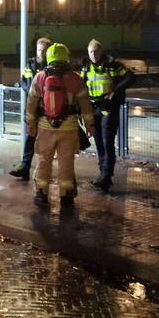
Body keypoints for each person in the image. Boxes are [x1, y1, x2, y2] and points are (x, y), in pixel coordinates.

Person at [26, 43, 94, 207]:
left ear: (49, 57)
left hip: (45, 127)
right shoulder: (75, 78)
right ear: (66, 57)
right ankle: (66, 196)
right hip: (69, 128)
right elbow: (85, 105)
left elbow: (31, 104)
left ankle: (42, 194)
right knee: (66, 162)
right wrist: (89, 126)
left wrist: (31, 124)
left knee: (44, 160)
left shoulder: (40, 77)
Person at [82, 39, 136, 193]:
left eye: (95, 51)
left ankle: (106, 175)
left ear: (101, 51)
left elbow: (131, 77)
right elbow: (81, 84)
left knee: (107, 141)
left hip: (108, 108)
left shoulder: (113, 65)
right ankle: (102, 172)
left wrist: (115, 91)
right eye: (90, 52)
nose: (93, 55)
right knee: (98, 140)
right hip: (94, 108)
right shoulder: (86, 67)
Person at [9, 36, 52, 181]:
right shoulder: (31, 64)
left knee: (46, 141)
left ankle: (43, 172)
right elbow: (24, 82)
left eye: (43, 50)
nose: (41, 53)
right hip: (33, 108)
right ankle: (25, 168)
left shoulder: (52, 65)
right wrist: (35, 93)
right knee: (30, 139)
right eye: (39, 50)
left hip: (47, 109)